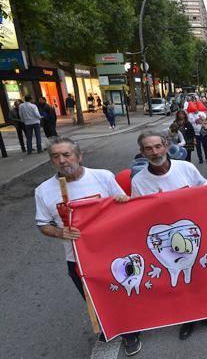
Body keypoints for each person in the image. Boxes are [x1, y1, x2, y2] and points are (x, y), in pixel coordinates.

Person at [34, 137, 141, 356]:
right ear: (51, 161)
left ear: (79, 156)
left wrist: (122, 201)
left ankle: (130, 332)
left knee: (119, 292)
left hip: (112, 252)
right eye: (56, 156)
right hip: (77, 258)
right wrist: (59, 232)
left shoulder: (103, 177)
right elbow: (43, 224)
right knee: (93, 297)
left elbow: (124, 207)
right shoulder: (43, 190)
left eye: (67, 154)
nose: (62, 160)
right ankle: (110, 326)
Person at [130, 131, 207, 340]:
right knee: (179, 282)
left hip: (193, 235)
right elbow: (137, 214)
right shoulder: (139, 181)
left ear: (165, 146)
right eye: (148, 148)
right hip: (166, 243)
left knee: (200, 276)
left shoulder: (186, 168)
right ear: (142, 152)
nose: (155, 152)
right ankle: (187, 318)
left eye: (158, 146)